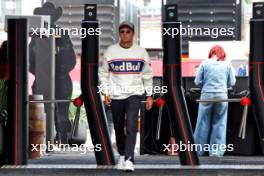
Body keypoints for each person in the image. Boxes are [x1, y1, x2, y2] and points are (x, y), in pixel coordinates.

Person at [98, 21, 153, 171]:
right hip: (116, 94)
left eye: (128, 31)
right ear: (119, 33)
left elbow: (147, 75)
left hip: (134, 93)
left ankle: (129, 159)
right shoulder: (111, 51)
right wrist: (106, 91)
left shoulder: (141, 52)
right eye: (122, 31)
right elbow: (103, 74)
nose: (125, 34)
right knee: (118, 126)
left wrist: (149, 95)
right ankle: (122, 154)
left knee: (131, 126)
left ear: (133, 34)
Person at [193, 45, 236, 157]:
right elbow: (232, 82)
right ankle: (216, 152)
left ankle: (198, 151)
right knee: (220, 123)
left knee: (202, 123)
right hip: (222, 96)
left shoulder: (204, 63)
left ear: (211, 52)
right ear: (222, 54)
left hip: (206, 95)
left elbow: (197, 81)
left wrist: (205, 85)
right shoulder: (227, 64)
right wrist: (222, 86)